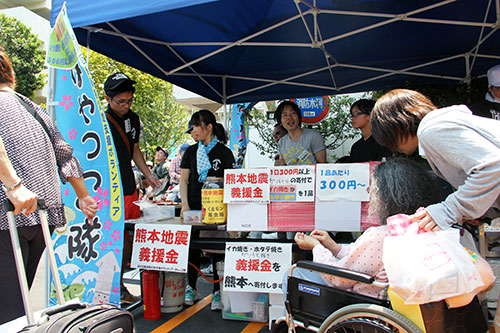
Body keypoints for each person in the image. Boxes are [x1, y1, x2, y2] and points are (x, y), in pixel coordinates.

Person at [0, 46, 97, 324]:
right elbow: (64, 153)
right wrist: (83, 196)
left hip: (8, 209)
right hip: (42, 213)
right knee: (17, 299)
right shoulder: (33, 108)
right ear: (12, 74)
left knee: (7, 311)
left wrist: (14, 184)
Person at [285, 158, 439, 298]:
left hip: (356, 303)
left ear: (388, 196)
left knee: (293, 273)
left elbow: (337, 279)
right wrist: (333, 246)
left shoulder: (380, 235)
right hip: (394, 304)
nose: (369, 193)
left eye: (374, 189)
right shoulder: (422, 228)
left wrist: (316, 247)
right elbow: (363, 258)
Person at [104, 72, 161, 303]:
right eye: (121, 102)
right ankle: (111, 286)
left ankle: (121, 284)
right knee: (110, 235)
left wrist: (149, 176)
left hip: (127, 184)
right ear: (108, 99)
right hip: (105, 187)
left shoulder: (133, 119)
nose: (126, 106)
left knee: (127, 234)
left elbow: (135, 149)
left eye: (129, 101)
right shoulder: (98, 119)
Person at [180, 109, 235, 310]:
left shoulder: (224, 153)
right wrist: (184, 206)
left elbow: (231, 183)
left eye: (196, 125)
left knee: (217, 250)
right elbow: (184, 180)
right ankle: (191, 287)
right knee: (192, 249)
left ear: (208, 127)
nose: (193, 130)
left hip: (217, 210)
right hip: (194, 207)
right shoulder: (191, 152)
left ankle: (217, 291)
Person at [274, 101, 326, 166]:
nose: (289, 117)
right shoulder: (282, 142)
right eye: (285, 115)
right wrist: (279, 165)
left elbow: (323, 166)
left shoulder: (313, 136)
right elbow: (282, 166)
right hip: (292, 176)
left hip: (311, 175)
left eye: (293, 113)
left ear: (299, 117)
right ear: (280, 122)